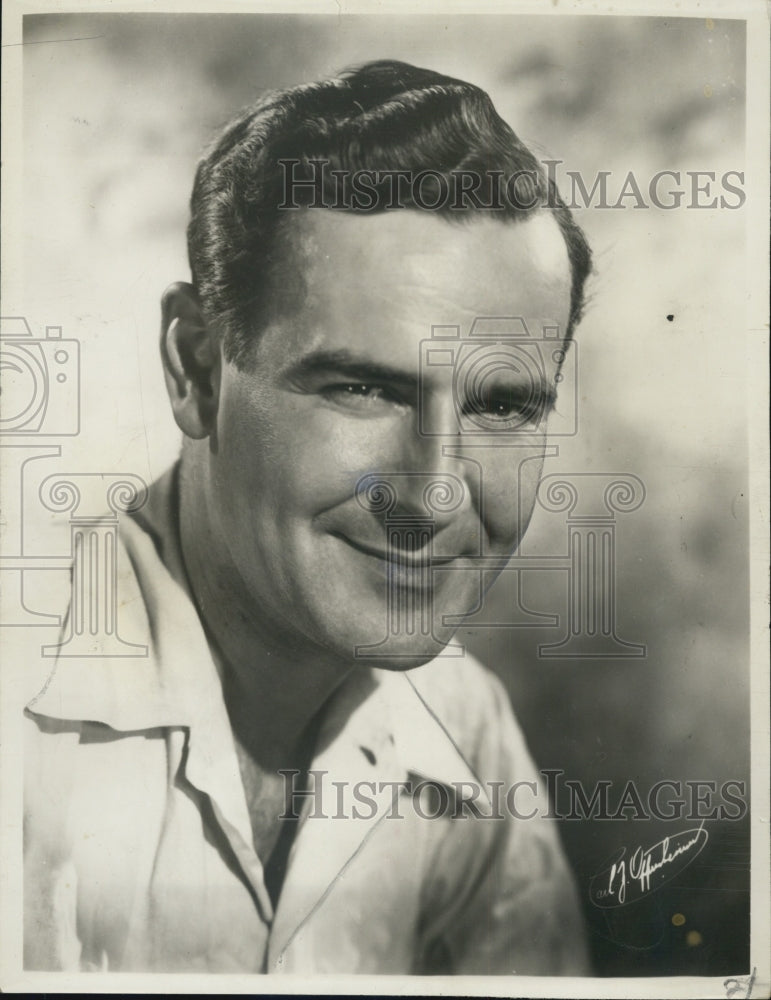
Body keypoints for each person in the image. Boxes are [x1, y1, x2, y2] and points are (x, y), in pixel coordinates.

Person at [23, 60, 593, 975]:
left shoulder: (463, 723)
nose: (433, 495)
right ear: (197, 370)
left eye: (499, 406)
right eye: (363, 389)